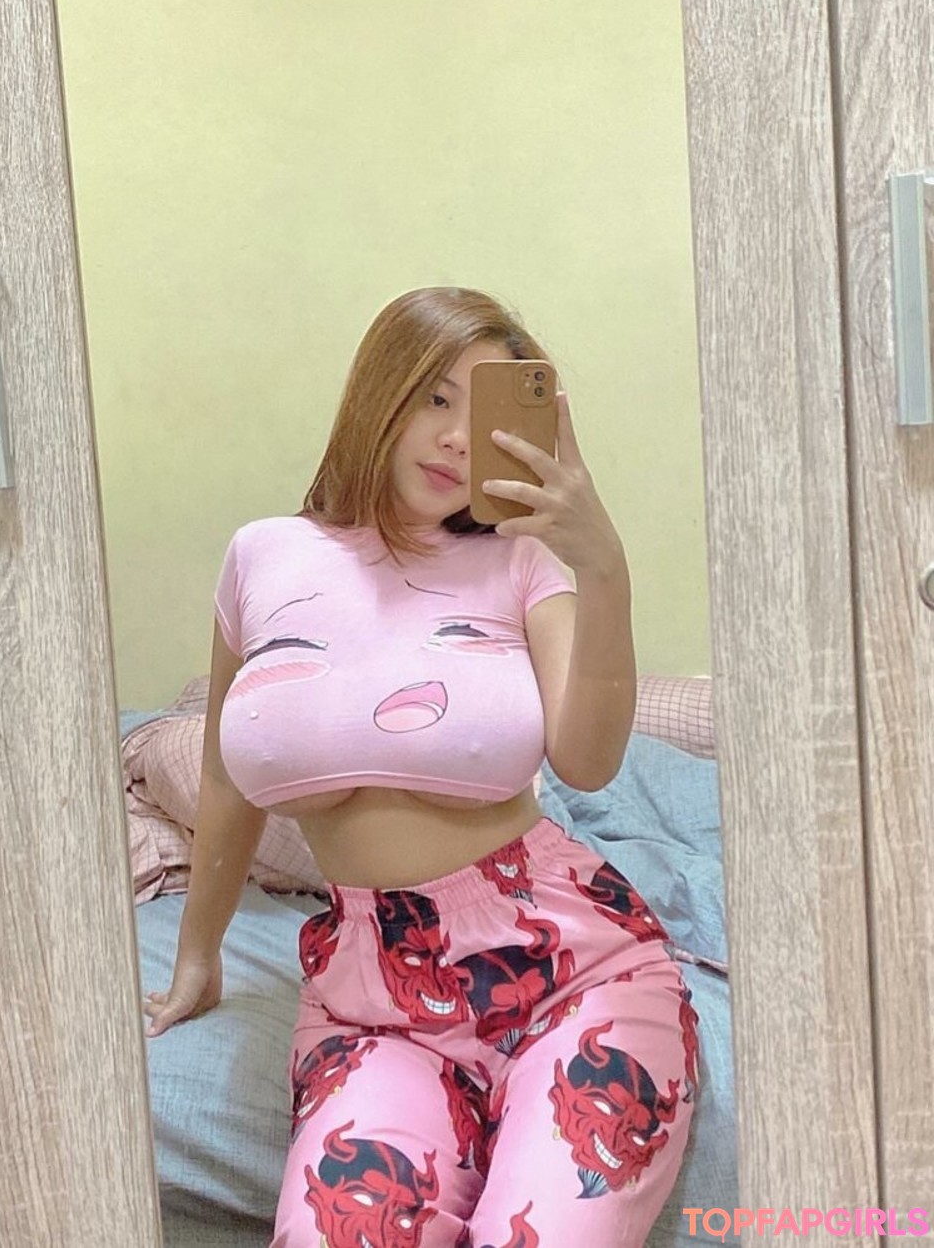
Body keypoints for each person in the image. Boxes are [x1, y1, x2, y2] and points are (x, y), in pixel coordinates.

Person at [144, 286, 698, 1247]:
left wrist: (602, 566)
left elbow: (588, 759)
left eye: (484, 418)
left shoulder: (522, 562)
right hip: (370, 996)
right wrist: (200, 953)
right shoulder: (264, 555)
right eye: (436, 398)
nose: (455, 440)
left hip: (572, 968)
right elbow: (227, 774)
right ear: (380, 392)